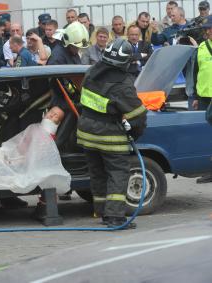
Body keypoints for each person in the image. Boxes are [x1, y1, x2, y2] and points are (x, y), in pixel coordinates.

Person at [77, 38, 147, 228]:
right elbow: (138, 116)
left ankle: (101, 212)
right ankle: (115, 217)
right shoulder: (122, 83)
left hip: (86, 134)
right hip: (109, 136)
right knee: (117, 173)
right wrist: (134, 133)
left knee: (97, 173)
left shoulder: (91, 72)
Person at [192, 15, 212, 184]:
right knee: (206, 136)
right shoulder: (201, 48)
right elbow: (195, 73)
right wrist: (196, 97)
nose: (209, 31)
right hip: (204, 98)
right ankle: (209, 171)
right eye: (208, 28)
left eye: (210, 28)